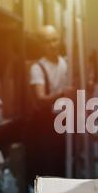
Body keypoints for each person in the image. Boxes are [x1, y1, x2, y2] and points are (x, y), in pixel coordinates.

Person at [28, 25, 73, 178]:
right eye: (48, 42)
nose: (52, 45)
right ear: (42, 45)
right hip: (47, 124)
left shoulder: (66, 63)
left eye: (54, 40)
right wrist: (62, 94)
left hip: (67, 121)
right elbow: (40, 99)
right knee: (49, 168)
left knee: (65, 164)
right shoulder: (37, 68)